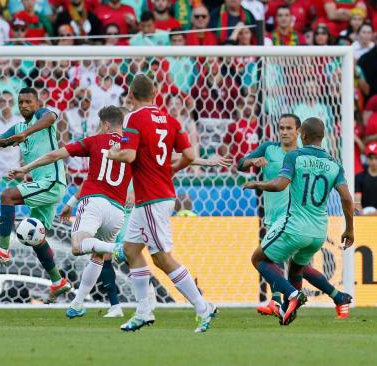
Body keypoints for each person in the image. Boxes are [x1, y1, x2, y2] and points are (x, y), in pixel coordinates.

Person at [107, 74, 217, 333]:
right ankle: (144, 311)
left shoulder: (133, 118)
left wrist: (112, 153)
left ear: (131, 96)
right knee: (132, 251)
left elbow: (129, 154)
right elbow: (190, 155)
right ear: (155, 93)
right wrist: (171, 170)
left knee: (161, 258)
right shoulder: (171, 120)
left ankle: (203, 306)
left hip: (152, 199)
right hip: (157, 195)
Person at [9, 106, 131, 317]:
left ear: (106, 124)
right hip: (117, 211)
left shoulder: (95, 140)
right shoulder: (131, 147)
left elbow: (56, 154)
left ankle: (116, 247)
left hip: (94, 203)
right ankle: (77, 303)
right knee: (98, 256)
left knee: (77, 246)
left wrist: (25, 169)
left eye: (98, 124)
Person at [238, 114, 353, 318]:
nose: (284, 132)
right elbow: (346, 197)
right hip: (318, 232)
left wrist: (257, 184)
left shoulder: (295, 156)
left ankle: (290, 295)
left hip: (293, 223)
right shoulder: (334, 163)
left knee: (259, 259)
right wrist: (349, 229)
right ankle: (288, 309)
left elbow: (279, 184)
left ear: (303, 134)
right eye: (281, 128)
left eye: (290, 128)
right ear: (323, 136)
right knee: (295, 269)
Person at [0, 87, 71, 302]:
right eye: (21, 102)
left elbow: (50, 118)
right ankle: (58, 282)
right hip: (41, 183)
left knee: (7, 196)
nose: (25, 105)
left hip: (53, 182)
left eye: (28, 101)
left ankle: (2, 250)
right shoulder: (18, 127)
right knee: (34, 236)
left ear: (37, 103)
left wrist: (26, 133)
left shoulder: (41, 117)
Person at [355, 142, 377, 215]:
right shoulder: (359, 177)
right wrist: (361, 213)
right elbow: (357, 201)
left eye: (376, 158)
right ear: (367, 159)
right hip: (363, 215)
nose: (374, 161)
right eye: (371, 158)